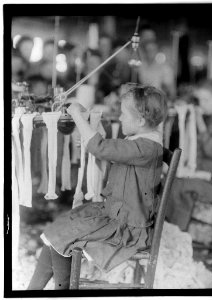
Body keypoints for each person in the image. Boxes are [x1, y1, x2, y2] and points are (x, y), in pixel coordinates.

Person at [27, 85, 167, 290]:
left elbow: (100, 147)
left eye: (123, 114)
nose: (120, 119)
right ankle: (32, 291)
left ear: (140, 121)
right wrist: (87, 140)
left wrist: (77, 115)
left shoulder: (145, 147)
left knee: (64, 236)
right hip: (117, 213)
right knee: (58, 229)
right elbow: (113, 157)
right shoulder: (141, 143)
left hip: (126, 227)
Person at [166, 80, 212, 231]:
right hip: (197, 174)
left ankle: (177, 232)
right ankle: (168, 227)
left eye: (206, 100)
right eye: (200, 100)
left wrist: (200, 124)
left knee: (179, 186)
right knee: (170, 181)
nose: (202, 104)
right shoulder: (204, 116)